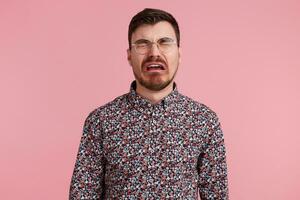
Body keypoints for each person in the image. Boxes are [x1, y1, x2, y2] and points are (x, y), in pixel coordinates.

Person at [69, 8, 229, 199]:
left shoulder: (204, 121)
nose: (154, 52)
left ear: (179, 53)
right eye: (143, 44)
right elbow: (82, 195)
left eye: (165, 42)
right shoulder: (100, 121)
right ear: (129, 55)